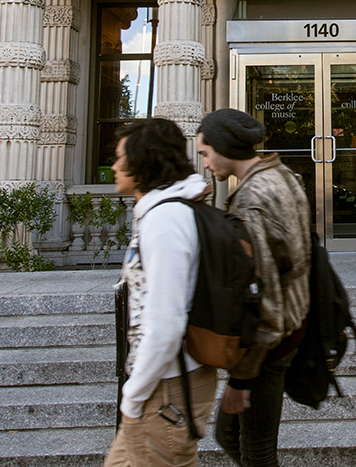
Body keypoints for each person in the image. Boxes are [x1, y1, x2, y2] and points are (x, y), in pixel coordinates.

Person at [196, 108, 311, 467]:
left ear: (224, 147)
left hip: (270, 344)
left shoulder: (253, 200)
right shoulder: (281, 175)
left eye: (205, 153)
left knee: (256, 451)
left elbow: (269, 298)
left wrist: (242, 380)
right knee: (231, 436)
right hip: (288, 328)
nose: (205, 164)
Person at [104, 117, 217, 467]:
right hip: (165, 381)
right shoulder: (163, 213)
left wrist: (133, 397)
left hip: (166, 386)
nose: (114, 166)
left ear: (144, 161)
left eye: (121, 157)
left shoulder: (165, 220)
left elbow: (165, 322)